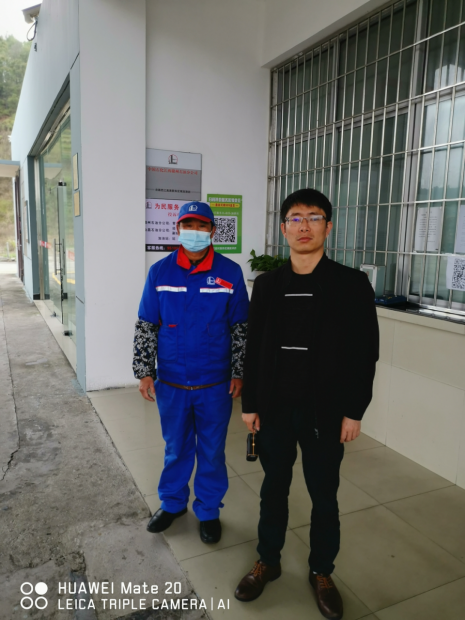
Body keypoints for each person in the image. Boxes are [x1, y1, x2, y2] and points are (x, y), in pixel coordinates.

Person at [234, 188, 379, 620]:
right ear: (283, 228)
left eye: (314, 217)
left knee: (324, 495)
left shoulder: (351, 284)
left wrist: (354, 411)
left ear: (327, 227)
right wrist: (250, 403)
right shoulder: (267, 285)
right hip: (275, 410)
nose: (304, 226)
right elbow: (255, 349)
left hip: (326, 412)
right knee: (273, 488)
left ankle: (322, 571)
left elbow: (364, 353)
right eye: (295, 218)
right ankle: (268, 560)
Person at [133, 201, 249, 544]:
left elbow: (241, 328)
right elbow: (146, 325)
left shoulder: (230, 273)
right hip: (172, 382)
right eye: (188, 225)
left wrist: (239, 372)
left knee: (211, 450)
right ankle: (172, 504)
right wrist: (144, 371)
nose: (194, 232)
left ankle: (209, 510)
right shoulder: (160, 272)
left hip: (215, 384)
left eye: (201, 226)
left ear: (212, 231)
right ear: (178, 229)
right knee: (176, 447)